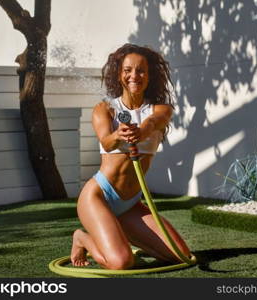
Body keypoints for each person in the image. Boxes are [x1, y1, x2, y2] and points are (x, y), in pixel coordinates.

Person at [70, 43, 190, 270]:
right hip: (99, 196)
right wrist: (118, 135)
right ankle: (82, 238)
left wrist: (140, 131)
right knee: (122, 262)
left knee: (179, 254)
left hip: (131, 202)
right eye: (127, 70)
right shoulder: (105, 109)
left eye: (141, 70)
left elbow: (152, 123)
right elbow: (106, 140)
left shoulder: (161, 109)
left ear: (150, 75)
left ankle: (118, 232)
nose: (134, 75)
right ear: (119, 73)